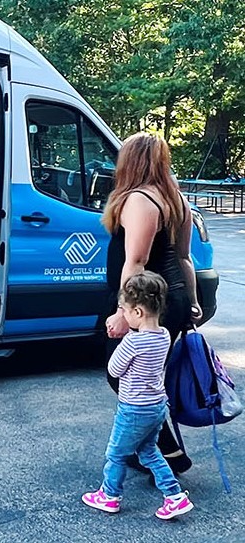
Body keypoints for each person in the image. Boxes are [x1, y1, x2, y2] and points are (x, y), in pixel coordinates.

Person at [101, 132, 202, 475]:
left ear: (129, 161)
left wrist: (122, 312)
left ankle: (167, 453)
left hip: (147, 305)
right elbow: (185, 258)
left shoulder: (140, 200)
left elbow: (137, 262)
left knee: (124, 375)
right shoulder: (176, 199)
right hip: (167, 300)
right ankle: (148, 448)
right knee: (147, 375)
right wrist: (193, 301)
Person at [83, 271, 194, 520]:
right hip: (156, 407)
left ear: (138, 312)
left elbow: (114, 369)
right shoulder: (164, 335)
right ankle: (174, 496)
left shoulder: (133, 342)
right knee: (149, 452)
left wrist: (124, 341)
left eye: (125, 310)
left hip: (134, 409)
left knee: (116, 453)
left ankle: (109, 496)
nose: (124, 314)